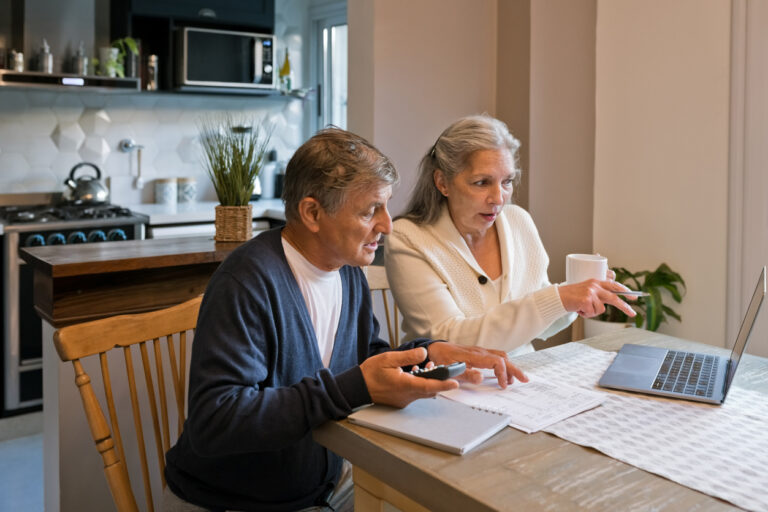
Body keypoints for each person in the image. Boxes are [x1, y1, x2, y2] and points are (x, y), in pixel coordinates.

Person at [162, 127, 527, 512]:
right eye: (371, 210)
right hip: (237, 502)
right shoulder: (248, 281)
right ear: (312, 213)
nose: (387, 225)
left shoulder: (348, 269)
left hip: (325, 491)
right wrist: (353, 390)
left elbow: (365, 357)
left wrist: (429, 354)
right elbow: (215, 422)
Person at [384, 115, 636, 355]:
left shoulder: (518, 221)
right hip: (450, 384)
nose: (498, 199)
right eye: (482, 182)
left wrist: (576, 299)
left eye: (507, 181)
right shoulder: (409, 238)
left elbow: (541, 322)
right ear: (442, 182)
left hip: (521, 375)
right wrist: (559, 297)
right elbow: (450, 341)